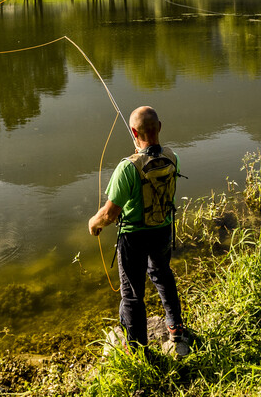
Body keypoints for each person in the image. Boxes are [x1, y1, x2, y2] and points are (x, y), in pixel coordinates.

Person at [88, 105, 191, 358]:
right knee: (162, 274)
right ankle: (176, 328)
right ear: (159, 128)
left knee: (132, 294)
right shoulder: (172, 157)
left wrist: (93, 224)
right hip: (163, 230)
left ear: (134, 132)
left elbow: (110, 215)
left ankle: (137, 349)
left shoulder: (127, 168)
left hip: (134, 237)